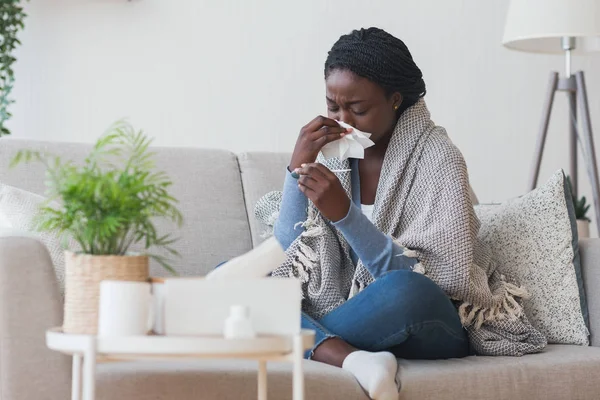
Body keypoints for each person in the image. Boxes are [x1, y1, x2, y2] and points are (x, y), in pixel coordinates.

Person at [254, 27, 546, 400]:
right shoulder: (332, 156)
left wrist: (345, 215)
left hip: (425, 320)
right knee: (229, 279)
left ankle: (288, 334)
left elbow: (438, 281)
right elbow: (286, 252)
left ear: (394, 100)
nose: (343, 121)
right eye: (333, 106)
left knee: (404, 291)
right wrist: (297, 168)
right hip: (354, 316)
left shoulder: (440, 159)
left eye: (357, 109)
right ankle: (353, 358)